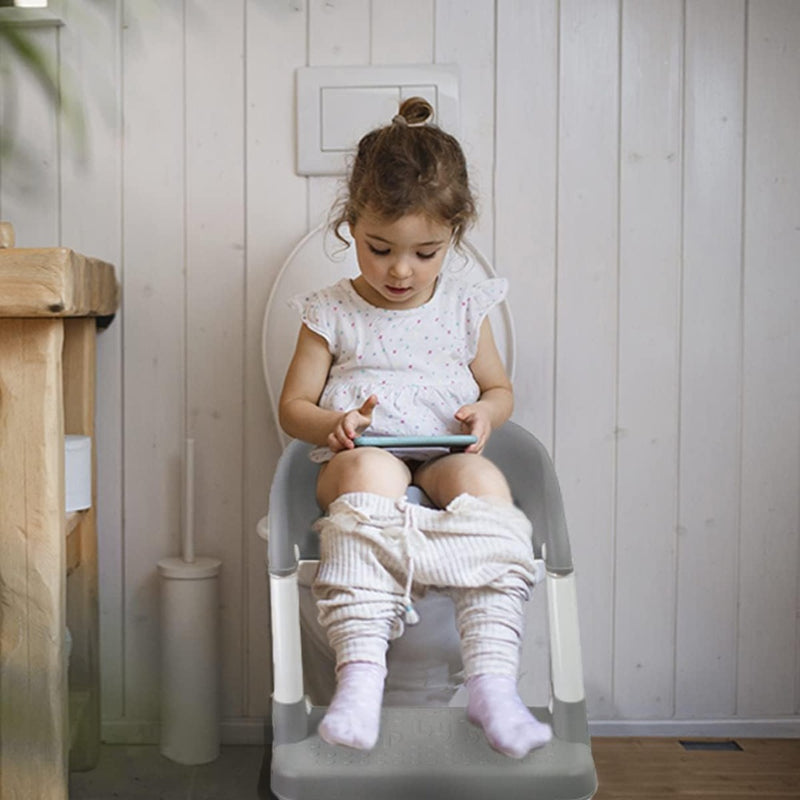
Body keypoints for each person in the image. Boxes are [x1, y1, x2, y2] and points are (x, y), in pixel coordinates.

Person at [278, 97, 552, 759]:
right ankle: (361, 678)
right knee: (374, 473)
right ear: (351, 226)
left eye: (425, 252)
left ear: (454, 235)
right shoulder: (330, 311)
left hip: (442, 454)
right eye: (380, 249)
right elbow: (292, 407)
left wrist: (486, 414)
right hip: (364, 456)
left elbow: (499, 388)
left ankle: (491, 683)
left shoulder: (464, 307)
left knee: (487, 483)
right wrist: (336, 422)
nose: (400, 269)